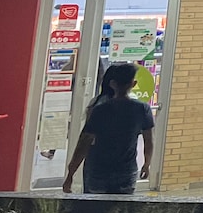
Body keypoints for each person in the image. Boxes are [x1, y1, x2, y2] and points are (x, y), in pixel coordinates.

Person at [62, 63, 154, 194]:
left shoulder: (99, 109)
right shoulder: (142, 109)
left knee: (94, 204)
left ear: (112, 84)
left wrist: (71, 173)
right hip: (126, 171)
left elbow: (85, 141)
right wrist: (146, 164)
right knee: (121, 205)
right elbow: (149, 140)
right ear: (133, 84)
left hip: (98, 169)